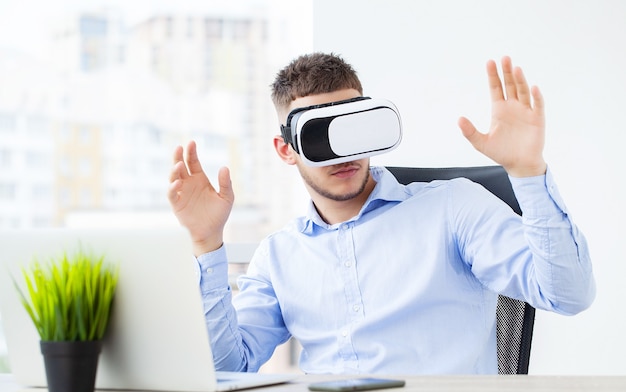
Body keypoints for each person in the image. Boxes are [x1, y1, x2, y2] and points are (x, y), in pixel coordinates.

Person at [168, 52, 595, 374]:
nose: (342, 153)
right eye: (319, 134)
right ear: (286, 149)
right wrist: (207, 244)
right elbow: (226, 370)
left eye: (350, 125)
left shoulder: (455, 209)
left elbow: (568, 293)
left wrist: (527, 173)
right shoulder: (279, 257)